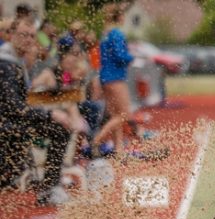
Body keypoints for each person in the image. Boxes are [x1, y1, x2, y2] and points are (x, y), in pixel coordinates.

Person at [0, 17, 81, 206]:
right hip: (6, 126)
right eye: (23, 35)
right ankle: (49, 189)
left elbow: (23, 101)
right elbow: (14, 107)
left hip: (13, 121)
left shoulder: (16, 60)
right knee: (58, 126)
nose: (28, 40)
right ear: (10, 35)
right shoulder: (5, 63)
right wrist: (50, 113)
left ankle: (50, 184)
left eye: (31, 36)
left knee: (65, 117)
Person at [93, 3, 133, 159]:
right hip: (115, 77)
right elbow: (120, 56)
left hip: (105, 77)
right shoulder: (117, 34)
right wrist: (133, 56)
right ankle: (97, 139)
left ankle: (119, 151)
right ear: (119, 16)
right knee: (124, 115)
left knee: (115, 114)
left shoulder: (105, 33)